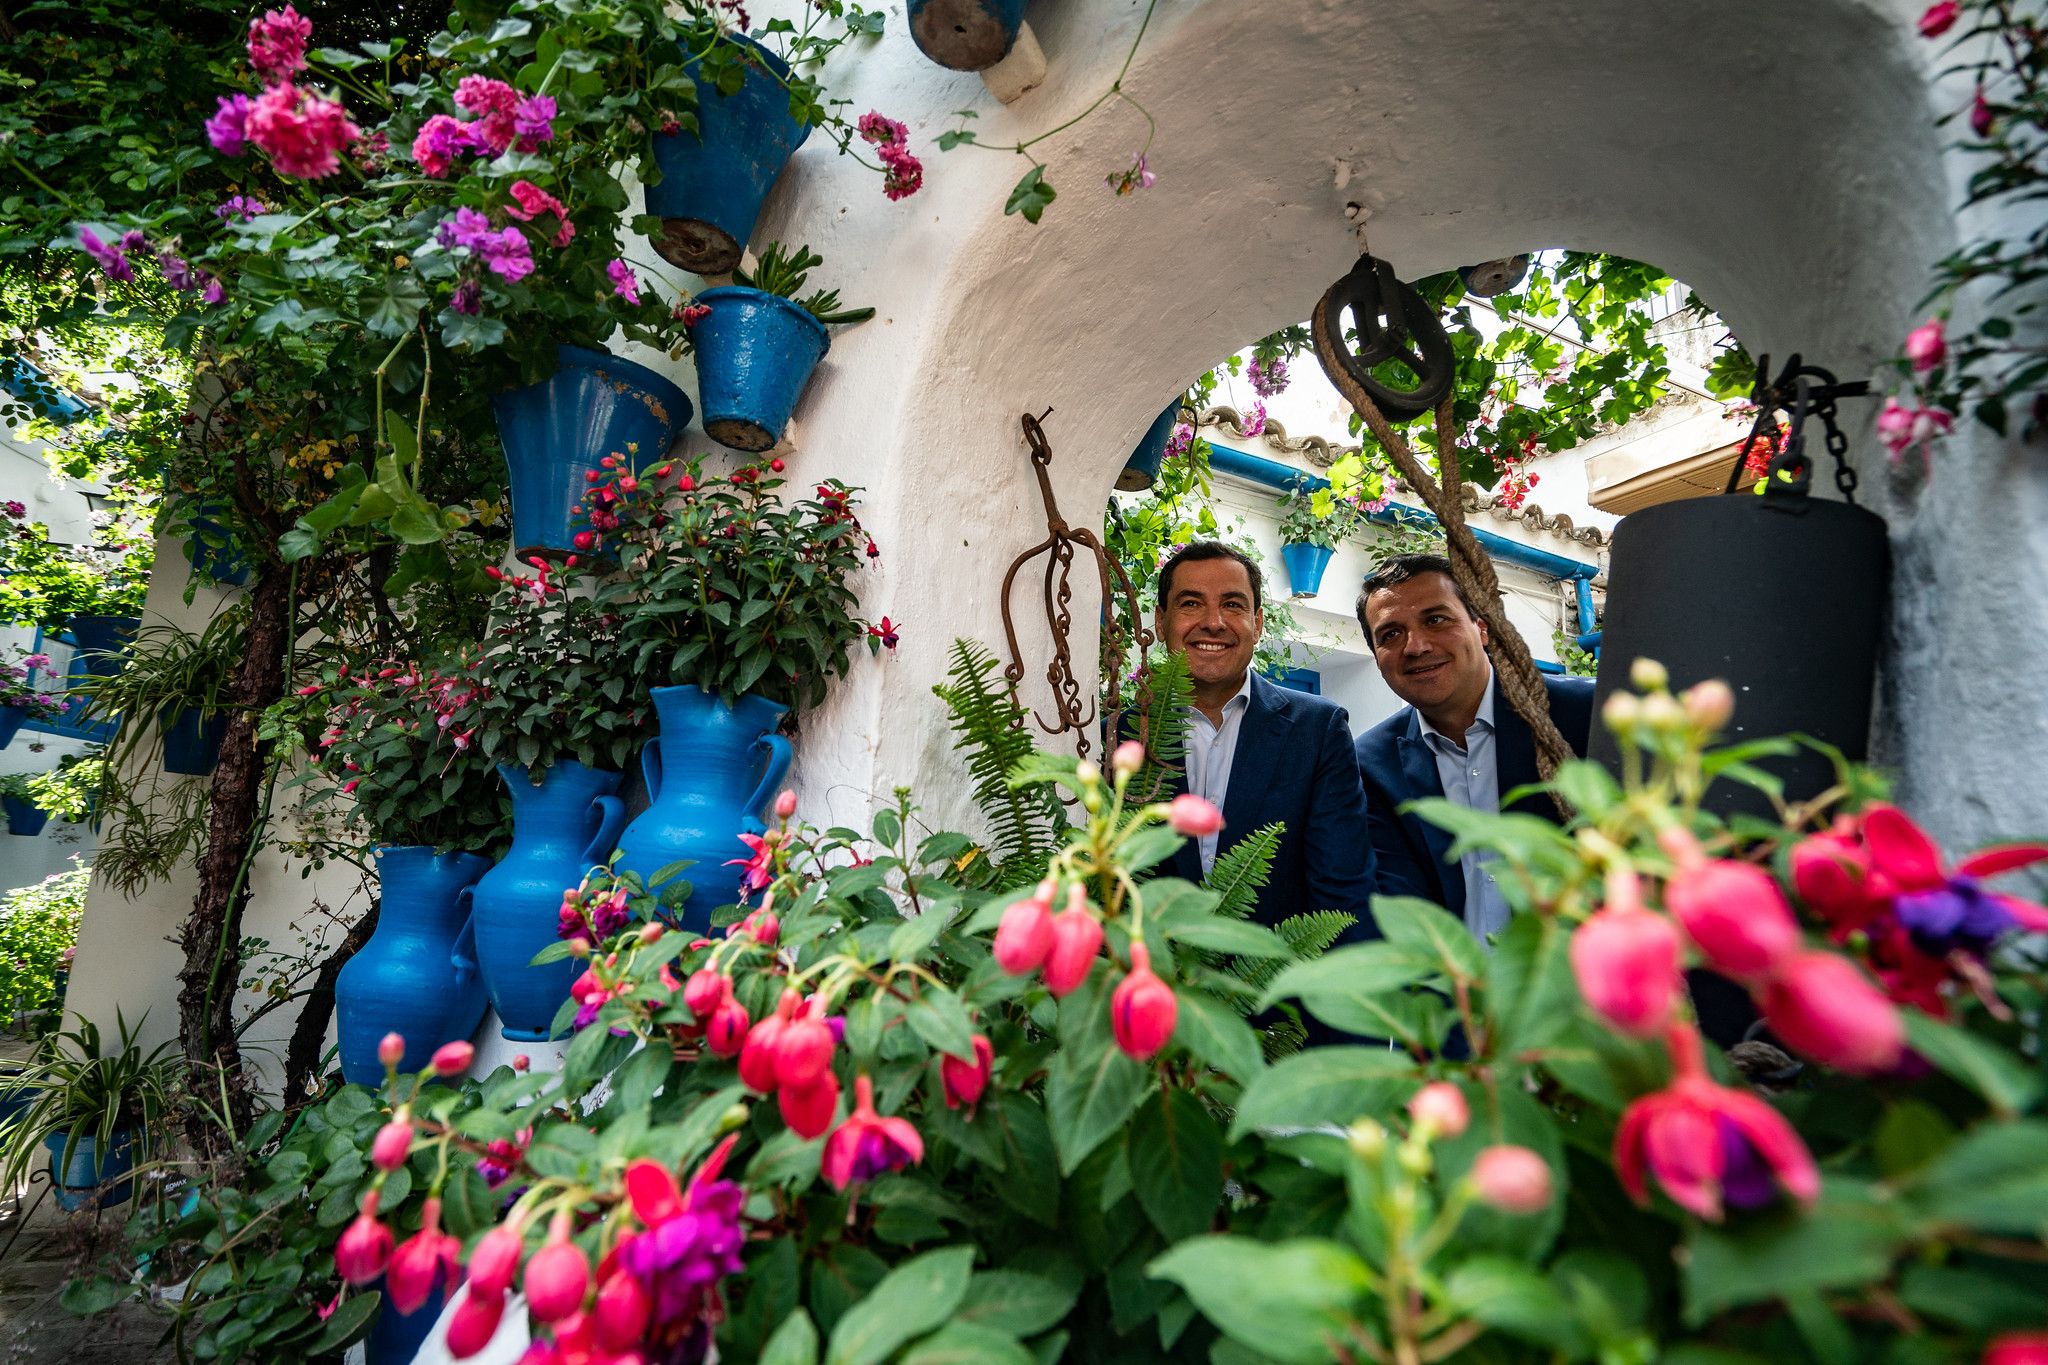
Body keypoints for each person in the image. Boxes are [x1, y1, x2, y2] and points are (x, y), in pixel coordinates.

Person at [1352, 554, 1595, 946]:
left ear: (1481, 627)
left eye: (1436, 619)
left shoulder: (1581, 718)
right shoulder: (1370, 766)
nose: (1415, 646)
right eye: (1390, 634)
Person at [1151, 542, 1377, 935]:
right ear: (1160, 622)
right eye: (1191, 603)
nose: (1214, 622)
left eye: (1233, 605)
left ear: (1257, 624)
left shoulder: (1317, 730)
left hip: (1280, 986)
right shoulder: (1119, 735)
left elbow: (1343, 893)